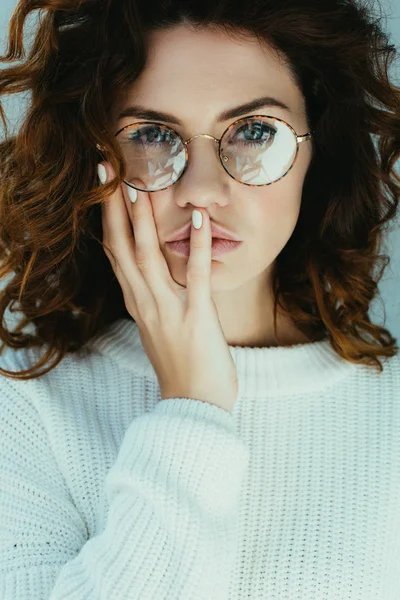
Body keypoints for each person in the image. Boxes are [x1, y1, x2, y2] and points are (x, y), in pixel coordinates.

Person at [0, 0, 399, 597]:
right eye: (154, 136)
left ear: (317, 151)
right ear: (96, 165)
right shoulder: (26, 413)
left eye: (256, 132)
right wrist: (193, 405)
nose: (204, 191)